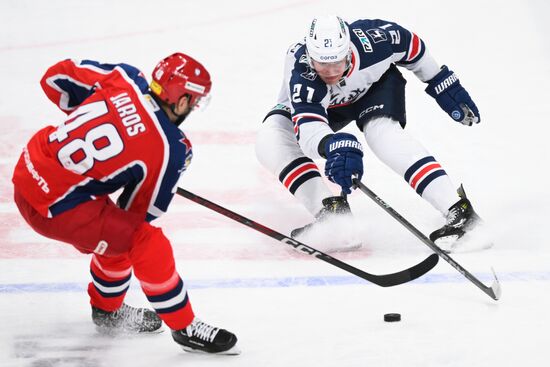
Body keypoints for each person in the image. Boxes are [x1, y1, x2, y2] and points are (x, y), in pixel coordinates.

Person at [12, 53, 239, 355]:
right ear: (182, 100)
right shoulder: (169, 147)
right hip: (55, 207)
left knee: (117, 232)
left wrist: (94, 117)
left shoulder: (125, 77)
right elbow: (142, 214)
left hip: (28, 170)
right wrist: (162, 168)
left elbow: (55, 78)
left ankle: (107, 312)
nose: (194, 107)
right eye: (195, 100)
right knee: (143, 240)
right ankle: (184, 326)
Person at [256, 15, 484, 253]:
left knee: (383, 135)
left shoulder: (376, 41)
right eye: (322, 64)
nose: (331, 71)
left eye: (338, 62)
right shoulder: (303, 72)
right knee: (270, 139)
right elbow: (309, 130)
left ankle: (460, 212)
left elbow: (413, 47)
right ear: (310, 56)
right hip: (323, 107)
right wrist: (333, 145)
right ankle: (334, 217)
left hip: (374, 89)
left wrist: (439, 81)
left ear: (349, 51)